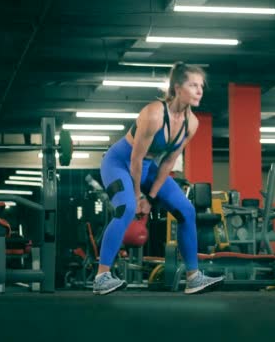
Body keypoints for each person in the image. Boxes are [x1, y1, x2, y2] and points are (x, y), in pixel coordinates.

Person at [93, 62, 224, 295]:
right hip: (119, 162)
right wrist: (136, 196)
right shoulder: (154, 114)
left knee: (187, 210)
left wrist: (151, 198)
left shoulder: (191, 124)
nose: (199, 90)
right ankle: (102, 276)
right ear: (177, 88)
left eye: (201, 86)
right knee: (127, 207)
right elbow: (135, 158)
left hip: (148, 167)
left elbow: (168, 161)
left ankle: (193, 277)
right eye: (193, 85)